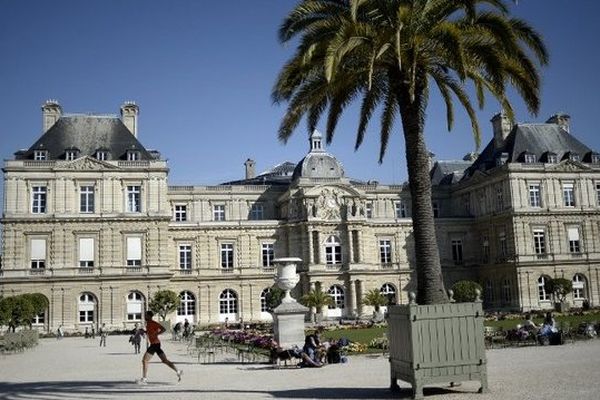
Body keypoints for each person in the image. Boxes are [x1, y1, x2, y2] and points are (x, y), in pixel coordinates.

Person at [139, 310, 182, 384]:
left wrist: (157, 334)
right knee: (164, 360)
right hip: (156, 344)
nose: (144, 317)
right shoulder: (148, 324)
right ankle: (178, 371)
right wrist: (144, 331)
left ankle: (144, 379)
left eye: (146, 315)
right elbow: (150, 332)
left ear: (149, 316)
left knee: (145, 361)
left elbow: (163, 329)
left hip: (155, 344)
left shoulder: (153, 323)